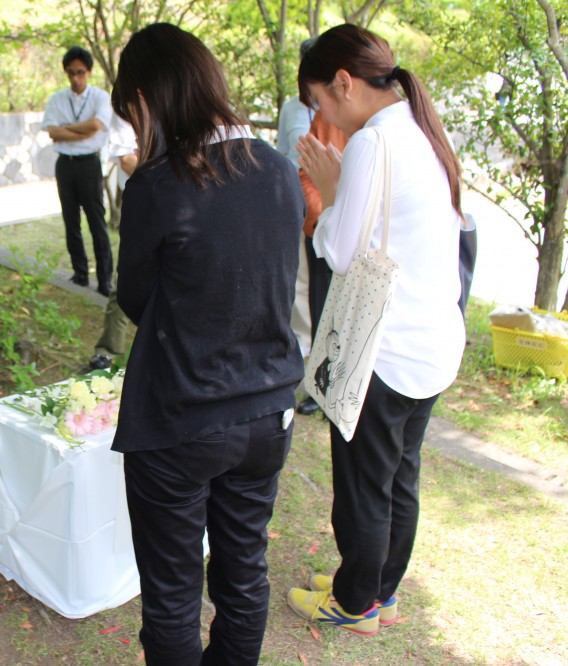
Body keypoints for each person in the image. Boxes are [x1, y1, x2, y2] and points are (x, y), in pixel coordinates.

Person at [110, 23, 305, 665]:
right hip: (267, 411)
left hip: (182, 417)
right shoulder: (278, 169)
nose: (136, 131)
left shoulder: (159, 184)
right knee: (244, 575)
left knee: (171, 596)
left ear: (149, 97)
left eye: (133, 114)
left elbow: (137, 298)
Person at [286, 24, 465, 635]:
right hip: (433, 342)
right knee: (399, 476)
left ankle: (354, 602)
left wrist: (333, 190)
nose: (323, 117)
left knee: (364, 484)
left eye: (320, 102)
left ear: (343, 82)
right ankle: (378, 590)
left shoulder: (374, 141)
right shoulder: (419, 129)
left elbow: (336, 250)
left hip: (386, 351)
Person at [40, 46, 115, 296]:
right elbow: (52, 131)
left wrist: (67, 130)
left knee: (96, 222)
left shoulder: (101, 98)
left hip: (89, 165)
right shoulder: (57, 99)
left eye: (80, 72)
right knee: (70, 221)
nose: (76, 78)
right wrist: (79, 131)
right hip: (65, 165)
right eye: (71, 73)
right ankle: (80, 273)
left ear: (89, 72)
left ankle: (105, 279)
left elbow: (96, 125)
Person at [295, 111, 348, 416]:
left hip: (366, 249)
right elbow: (307, 175)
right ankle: (322, 386)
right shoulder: (327, 119)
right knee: (322, 312)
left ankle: (347, 389)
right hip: (321, 232)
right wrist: (324, 217)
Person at [278, 38, 318, 365]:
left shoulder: (338, 110)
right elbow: (281, 156)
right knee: (300, 280)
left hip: (329, 203)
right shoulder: (291, 108)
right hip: (295, 201)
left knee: (329, 283)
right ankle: (302, 355)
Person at [89, 113, 138, 371]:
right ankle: (108, 351)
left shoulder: (175, 98)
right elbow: (128, 160)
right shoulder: (125, 109)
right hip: (138, 197)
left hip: (180, 201)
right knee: (127, 276)